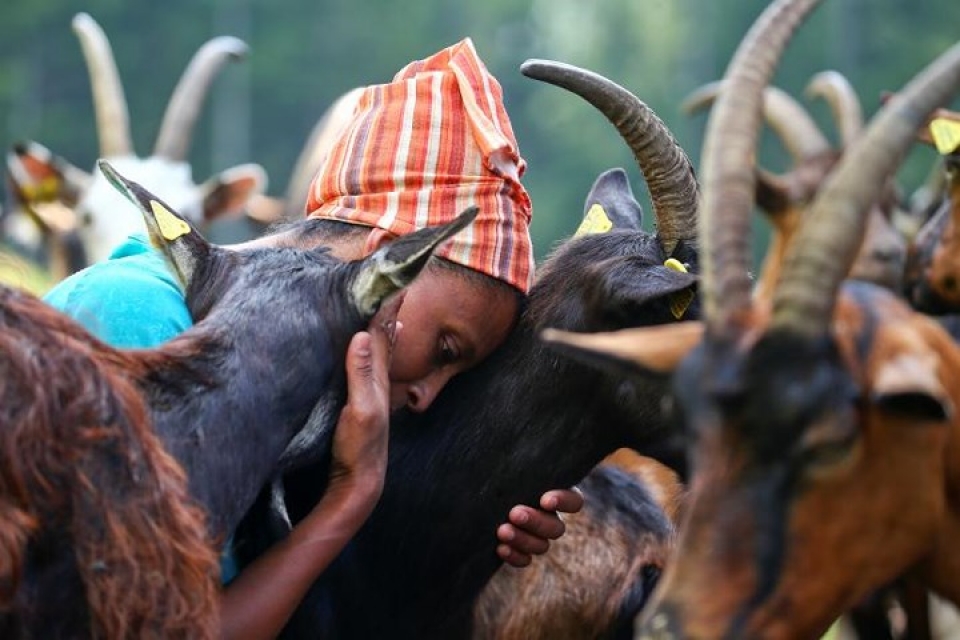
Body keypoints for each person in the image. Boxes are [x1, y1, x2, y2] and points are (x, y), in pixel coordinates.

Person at [44, 38, 583, 639]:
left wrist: (478, 500)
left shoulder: (290, 390)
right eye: (445, 351)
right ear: (391, 266)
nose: (428, 396)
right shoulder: (137, 322)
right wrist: (350, 497)